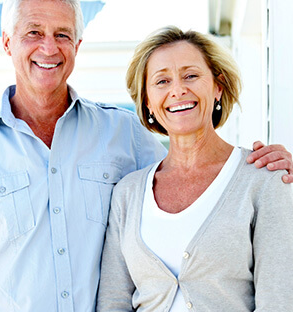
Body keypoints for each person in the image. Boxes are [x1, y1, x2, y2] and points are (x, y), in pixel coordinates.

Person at [0, 0, 291, 312]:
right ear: (7, 42)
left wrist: (273, 166)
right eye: (33, 33)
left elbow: (198, 175)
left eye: (62, 34)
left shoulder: (125, 134)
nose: (49, 47)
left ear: (77, 45)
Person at [96, 26, 293, 311]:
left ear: (217, 87)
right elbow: (113, 302)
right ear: (148, 101)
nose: (178, 90)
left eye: (191, 75)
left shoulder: (263, 180)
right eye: (162, 81)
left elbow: (279, 301)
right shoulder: (127, 193)